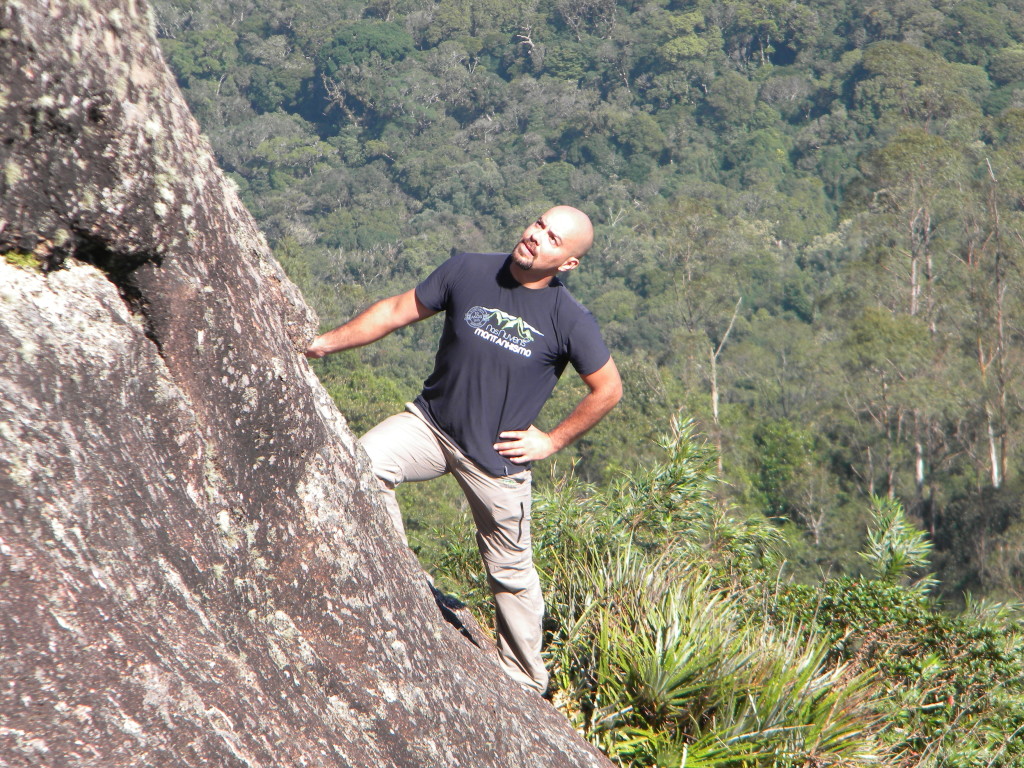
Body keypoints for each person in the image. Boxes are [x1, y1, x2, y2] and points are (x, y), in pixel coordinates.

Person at [306, 206, 622, 694]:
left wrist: (551, 440)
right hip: (431, 427)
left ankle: (525, 679)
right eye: (539, 225)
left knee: (511, 572)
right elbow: (395, 311)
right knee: (359, 466)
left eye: (553, 239)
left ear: (568, 263)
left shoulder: (569, 320)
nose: (537, 237)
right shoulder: (470, 269)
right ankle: (396, 575)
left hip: (497, 462)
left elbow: (608, 390)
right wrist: (323, 344)